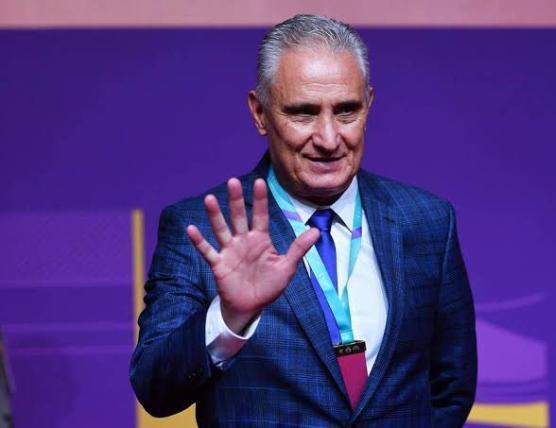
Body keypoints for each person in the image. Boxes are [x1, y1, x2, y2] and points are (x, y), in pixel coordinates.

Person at [130, 14, 476, 427]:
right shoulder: (202, 227)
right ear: (260, 113)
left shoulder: (428, 220)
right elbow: (154, 388)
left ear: (369, 104)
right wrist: (229, 318)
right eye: (303, 113)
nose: (329, 139)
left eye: (346, 111)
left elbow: (450, 388)